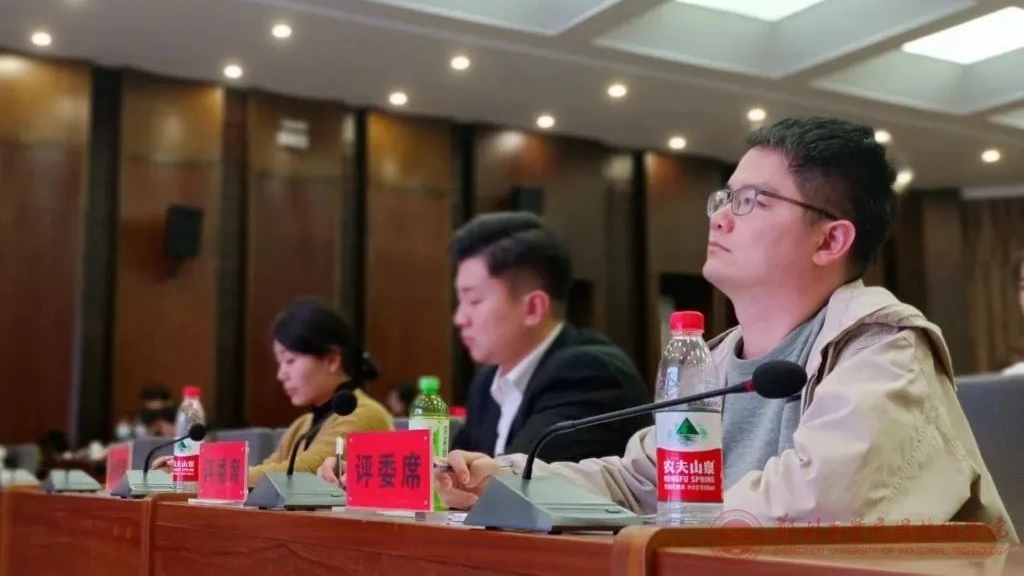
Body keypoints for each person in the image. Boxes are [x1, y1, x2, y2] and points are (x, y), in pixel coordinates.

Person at [432, 117, 1017, 540]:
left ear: (831, 240)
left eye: (753, 201)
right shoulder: (709, 362)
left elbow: (819, 502)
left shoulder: (883, 346)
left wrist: (653, 527)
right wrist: (508, 478)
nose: (720, 218)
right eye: (725, 198)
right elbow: (638, 481)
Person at [316, 211, 650, 485]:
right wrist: (361, 467)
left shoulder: (589, 373)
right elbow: (449, 467)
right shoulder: (488, 381)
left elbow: (514, 480)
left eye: (474, 300)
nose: (459, 318)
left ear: (533, 308)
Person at [153, 298, 393, 485]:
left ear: (332, 359)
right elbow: (267, 472)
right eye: (280, 363)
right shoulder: (303, 425)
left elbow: (302, 474)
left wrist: (207, 473)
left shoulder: (366, 415)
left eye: (290, 361)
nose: (281, 374)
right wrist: (191, 470)